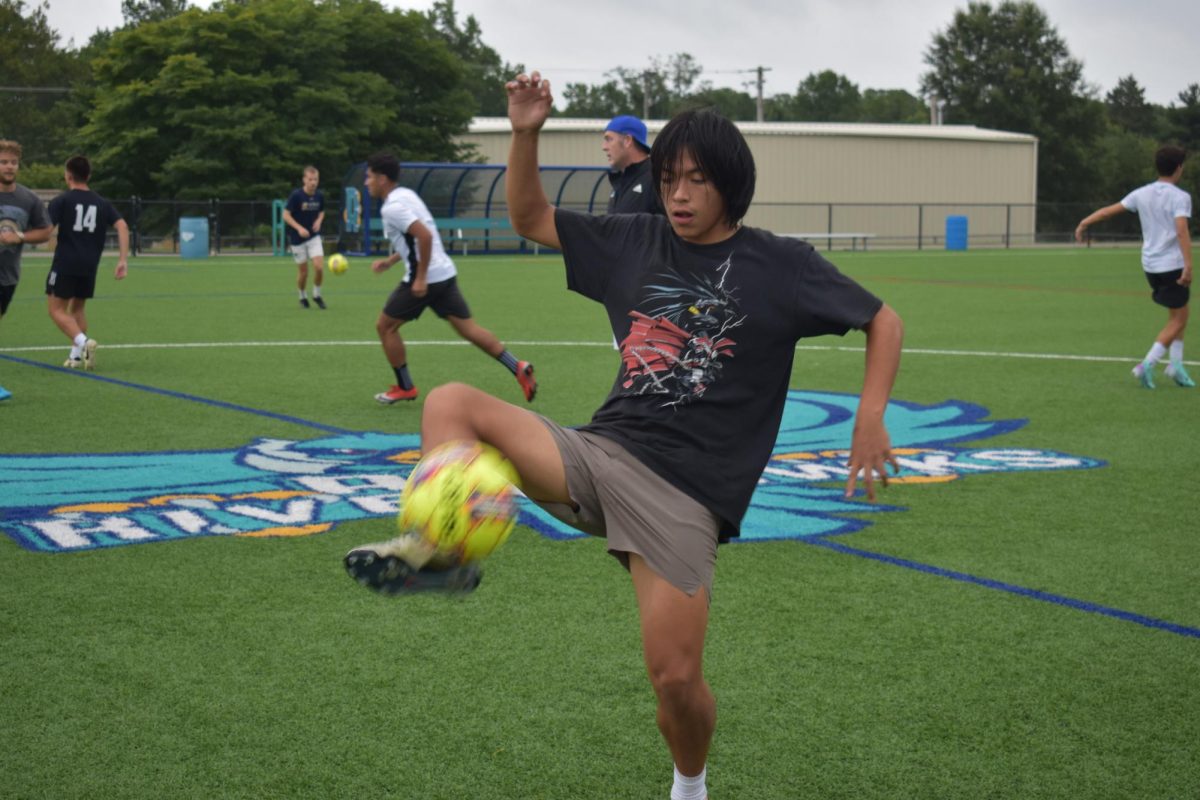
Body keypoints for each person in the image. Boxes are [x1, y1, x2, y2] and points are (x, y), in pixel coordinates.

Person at [346, 73, 904, 800]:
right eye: (669, 178)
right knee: (451, 401)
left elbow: (882, 319)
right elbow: (528, 217)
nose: (678, 194)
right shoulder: (635, 239)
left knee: (675, 680)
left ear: (730, 185)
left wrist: (870, 414)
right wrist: (523, 133)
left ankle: (690, 782)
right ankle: (443, 554)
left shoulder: (783, 266)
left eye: (696, 181)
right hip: (599, 453)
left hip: (687, 497)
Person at [361, 152, 537, 405]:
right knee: (469, 329)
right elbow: (418, 236)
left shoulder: (391, 208)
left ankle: (405, 387)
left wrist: (420, 279)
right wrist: (390, 261)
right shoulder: (406, 195)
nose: (366, 182)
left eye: (369, 177)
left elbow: (425, 237)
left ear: (382, 179)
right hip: (444, 273)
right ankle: (517, 366)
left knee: (385, 326)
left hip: (427, 277)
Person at [1076, 145, 1193, 388]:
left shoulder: (1142, 193)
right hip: (1171, 264)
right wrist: (1189, 266)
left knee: (1179, 312)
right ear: (1179, 168)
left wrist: (1084, 222)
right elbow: (1181, 230)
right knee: (1179, 319)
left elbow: (1109, 212)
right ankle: (1147, 364)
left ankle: (1177, 366)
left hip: (1150, 265)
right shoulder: (1180, 197)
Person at [45, 155, 130, 370]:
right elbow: (122, 226)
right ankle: (75, 357)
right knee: (78, 309)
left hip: (65, 261)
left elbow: (45, 229)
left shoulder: (62, 200)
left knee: (56, 310)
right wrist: (122, 259)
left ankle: (84, 344)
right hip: (90, 263)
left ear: (68, 175)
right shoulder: (101, 202)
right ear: (88, 176)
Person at [0, 140, 54, 401]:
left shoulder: (28, 198)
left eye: (13, 162)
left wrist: (19, 236)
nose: (9, 167)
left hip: (8, 275)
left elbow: (45, 230)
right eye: (3, 162)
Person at [282, 165, 327, 309]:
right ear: (304, 180)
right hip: (297, 239)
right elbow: (285, 215)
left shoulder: (319, 195)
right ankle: (302, 296)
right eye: (310, 179)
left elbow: (321, 211)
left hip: (314, 237)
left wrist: (319, 221)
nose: (313, 182)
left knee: (319, 268)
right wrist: (299, 228)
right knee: (303, 273)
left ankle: (317, 295)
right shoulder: (296, 196)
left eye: (315, 179)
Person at [604, 114, 662, 215]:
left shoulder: (657, 178)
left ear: (627, 140)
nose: (604, 147)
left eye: (609, 139)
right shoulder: (620, 181)